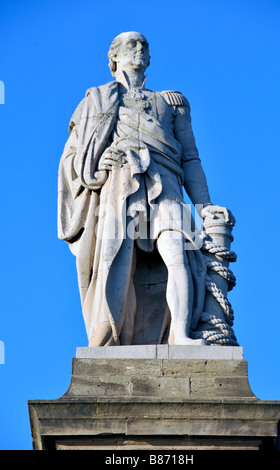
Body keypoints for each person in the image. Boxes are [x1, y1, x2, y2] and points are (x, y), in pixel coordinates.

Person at [58, 31, 233, 346]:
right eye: (131, 44)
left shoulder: (172, 102)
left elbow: (191, 159)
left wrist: (204, 205)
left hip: (166, 183)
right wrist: (97, 167)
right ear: (114, 57)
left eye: (144, 45)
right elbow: (73, 155)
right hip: (119, 184)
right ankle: (109, 333)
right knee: (115, 259)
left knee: (177, 253)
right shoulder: (96, 99)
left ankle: (180, 334)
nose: (139, 49)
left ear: (150, 57)